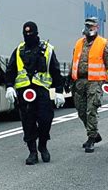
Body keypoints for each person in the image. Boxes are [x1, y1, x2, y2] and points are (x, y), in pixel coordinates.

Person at [5, 21, 66, 165]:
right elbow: (10, 70)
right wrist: (9, 86)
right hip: (24, 92)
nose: (28, 36)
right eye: (25, 34)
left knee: (46, 119)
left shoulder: (47, 50)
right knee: (28, 123)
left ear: (37, 34)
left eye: (30, 33)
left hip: (42, 92)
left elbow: (56, 71)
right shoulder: (19, 50)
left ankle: (43, 145)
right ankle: (32, 152)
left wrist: (59, 91)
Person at [65, 17, 108, 153]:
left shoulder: (104, 44)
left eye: (91, 27)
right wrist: (68, 78)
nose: (89, 29)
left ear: (96, 28)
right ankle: (94, 134)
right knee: (81, 111)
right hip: (79, 81)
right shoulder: (79, 43)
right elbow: (74, 61)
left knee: (91, 109)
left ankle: (91, 138)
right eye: (87, 26)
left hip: (95, 81)